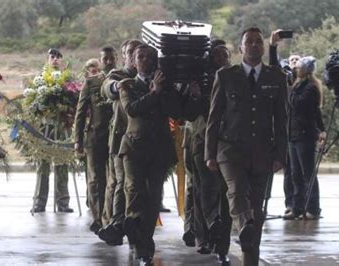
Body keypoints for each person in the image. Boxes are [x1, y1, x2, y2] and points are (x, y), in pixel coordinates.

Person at [205, 27, 288, 266]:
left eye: (258, 42)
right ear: (240, 47)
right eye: (248, 42)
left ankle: (249, 258)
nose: (253, 45)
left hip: (262, 151)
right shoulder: (225, 75)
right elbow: (214, 117)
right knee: (237, 192)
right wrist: (210, 153)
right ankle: (245, 224)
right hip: (230, 150)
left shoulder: (276, 77)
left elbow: (282, 119)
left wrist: (280, 155)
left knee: (257, 209)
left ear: (263, 47)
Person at [118, 44, 181, 265]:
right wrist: (154, 92)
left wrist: (169, 90)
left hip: (159, 149)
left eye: (149, 57)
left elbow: (176, 110)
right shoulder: (128, 85)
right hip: (134, 147)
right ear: (134, 62)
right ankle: (132, 228)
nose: (145, 60)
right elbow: (132, 109)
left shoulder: (165, 85)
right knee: (135, 191)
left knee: (153, 198)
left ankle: (145, 245)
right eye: (140, 57)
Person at [182, 42, 233, 265]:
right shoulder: (200, 80)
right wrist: (196, 96)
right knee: (205, 189)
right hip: (202, 141)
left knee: (224, 193)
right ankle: (206, 235)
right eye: (217, 55)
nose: (222, 58)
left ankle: (221, 242)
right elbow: (188, 113)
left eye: (225, 54)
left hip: (229, 142)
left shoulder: (236, 77)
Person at [98, 39, 142, 245]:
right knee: (121, 183)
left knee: (134, 186)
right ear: (124, 56)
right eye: (130, 53)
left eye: (137, 52)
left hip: (143, 141)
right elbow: (107, 88)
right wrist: (117, 86)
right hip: (121, 138)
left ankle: (129, 225)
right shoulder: (118, 75)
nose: (134, 56)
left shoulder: (149, 73)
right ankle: (117, 224)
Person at [74, 46, 117, 233]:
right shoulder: (91, 83)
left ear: (116, 59)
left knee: (114, 180)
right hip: (95, 137)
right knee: (95, 180)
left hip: (116, 137)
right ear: (100, 61)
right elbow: (81, 113)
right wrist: (78, 140)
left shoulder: (123, 81)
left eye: (111, 58)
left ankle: (111, 217)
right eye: (105, 59)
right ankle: (98, 218)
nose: (108, 61)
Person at [283, 56, 326, 220]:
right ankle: (297, 207)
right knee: (295, 174)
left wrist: (288, 89)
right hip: (293, 135)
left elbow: (299, 104)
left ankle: (313, 208)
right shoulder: (298, 85)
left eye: (298, 68)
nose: (295, 70)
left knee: (307, 173)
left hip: (304, 135)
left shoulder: (310, 88)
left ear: (306, 70)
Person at [31, 48, 74, 213]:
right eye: (52, 57)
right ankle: (39, 202)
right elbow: (33, 102)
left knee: (62, 163)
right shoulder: (40, 79)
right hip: (45, 126)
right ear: (47, 59)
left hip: (62, 126)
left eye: (58, 57)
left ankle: (63, 202)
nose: (55, 59)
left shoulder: (67, 79)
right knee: (43, 164)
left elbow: (73, 102)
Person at [269, 29, 301, 215]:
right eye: (291, 60)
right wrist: (273, 47)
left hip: (298, 132)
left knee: (297, 173)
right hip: (284, 131)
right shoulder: (284, 80)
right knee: (287, 174)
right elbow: (274, 68)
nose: (294, 63)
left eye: (298, 60)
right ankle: (290, 204)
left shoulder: (307, 86)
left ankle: (300, 205)